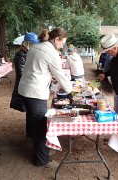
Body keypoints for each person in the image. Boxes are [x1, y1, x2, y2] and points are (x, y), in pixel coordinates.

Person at [18, 27, 73, 167]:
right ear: (56, 39)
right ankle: (41, 160)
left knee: (33, 121)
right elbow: (60, 74)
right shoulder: (51, 52)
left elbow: (37, 68)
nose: (62, 46)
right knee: (41, 125)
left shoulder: (35, 47)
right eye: (62, 43)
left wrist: (50, 78)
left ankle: (36, 148)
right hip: (35, 93)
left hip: (25, 89)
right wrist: (71, 91)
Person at [10, 32, 39, 138]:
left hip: (29, 85)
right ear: (27, 43)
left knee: (30, 111)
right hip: (24, 86)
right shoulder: (20, 55)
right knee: (30, 110)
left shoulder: (27, 53)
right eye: (32, 44)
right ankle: (31, 134)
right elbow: (21, 73)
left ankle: (31, 133)